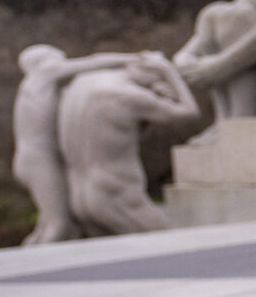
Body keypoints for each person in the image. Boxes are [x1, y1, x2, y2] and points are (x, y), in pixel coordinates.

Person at [57, 54, 207, 236]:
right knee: (172, 246)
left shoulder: (82, 83)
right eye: (158, 81)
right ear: (152, 73)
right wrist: (169, 72)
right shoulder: (129, 96)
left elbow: (116, 134)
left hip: (79, 195)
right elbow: (190, 113)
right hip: (118, 192)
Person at [12, 46, 140, 243]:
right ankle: (35, 266)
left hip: (30, 159)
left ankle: (31, 257)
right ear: (43, 60)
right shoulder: (43, 73)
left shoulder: (35, 86)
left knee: (51, 223)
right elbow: (94, 60)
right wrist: (133, 57)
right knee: (60, 225)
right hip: (39, 161)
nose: (62, 62)